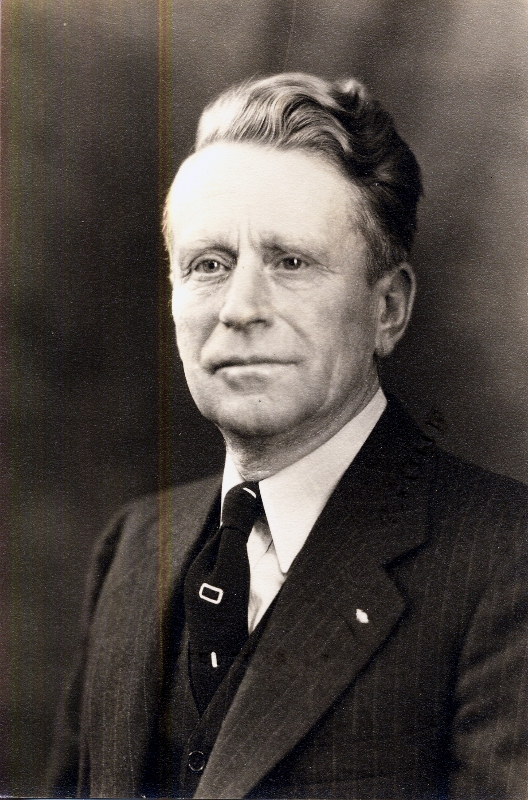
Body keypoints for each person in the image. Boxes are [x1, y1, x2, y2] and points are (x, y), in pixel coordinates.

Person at [48, 73, 528, 799]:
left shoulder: (506, 559)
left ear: (388, 309)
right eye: (209, 265)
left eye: (290, 262)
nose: (240, 308)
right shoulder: (132, 547)